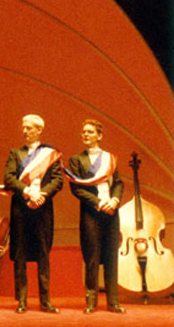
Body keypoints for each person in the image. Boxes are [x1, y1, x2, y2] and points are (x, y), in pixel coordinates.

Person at [4, 114, 63, 314]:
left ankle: (45, 301)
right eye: (23, 127)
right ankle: (22, 301)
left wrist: (42, 195)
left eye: (29, 128)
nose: (25, 131)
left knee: (43, 254)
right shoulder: (15, 153)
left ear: (39, 130)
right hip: (21, 209)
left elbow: (57, 180)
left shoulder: (50, 154)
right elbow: (9, 179)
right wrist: (27, 191)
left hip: (43, 209)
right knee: (20, 253)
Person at [68, 119, 125, 314]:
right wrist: (99, 203)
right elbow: (77, 188)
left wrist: (114, 200)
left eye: (90, 132)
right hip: (91, 214)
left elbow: (118, 183)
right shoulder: (76, 160)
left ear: (99, 136)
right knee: (91, 257)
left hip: (111, 212)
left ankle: (113, 302)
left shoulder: (110, 158)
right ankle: (91, 302)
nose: (86, 135)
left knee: (111, 257)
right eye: (83, 132)